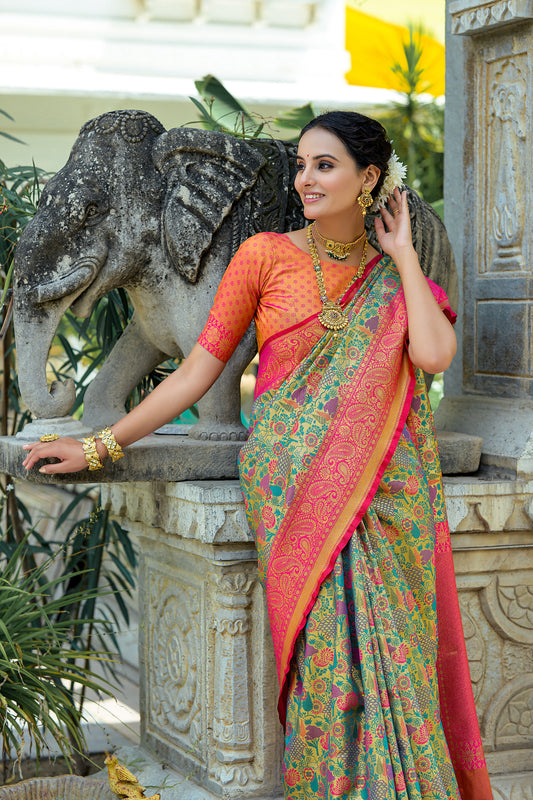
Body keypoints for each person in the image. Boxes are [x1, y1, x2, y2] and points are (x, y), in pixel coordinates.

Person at [22, 112, 492, 799]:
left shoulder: (394, 281)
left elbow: (433, 355)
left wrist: (405, 257)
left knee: (399, 662)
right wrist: (99, 444)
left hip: (384, 502)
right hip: (294, 495)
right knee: (326, 674)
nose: (305, 179)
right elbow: (194, 372)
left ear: (369, 178)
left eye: (324, 165)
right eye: (301, 165)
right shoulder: (265, 256)